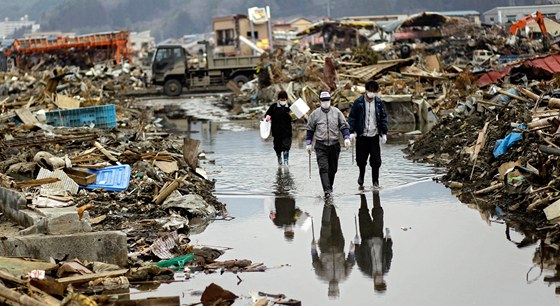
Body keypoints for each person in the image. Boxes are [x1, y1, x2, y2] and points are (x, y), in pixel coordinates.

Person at [306, 91, 351, 198]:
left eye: (327, 100)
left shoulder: (337, 112)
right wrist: (308, 143)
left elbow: (344, 126)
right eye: (323, 101)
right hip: (321, 145)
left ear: (330, 101)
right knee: (323, 168)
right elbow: (310, 129)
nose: (325, 103)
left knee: (333, 169)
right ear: (320, 101)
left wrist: (346, 137)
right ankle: (327, 191)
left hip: (335, 145)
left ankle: (329, 187)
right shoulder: (315, 114)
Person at [347, 80, 388, 189]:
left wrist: (384, 132)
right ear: (366, 91)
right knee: (361, 159)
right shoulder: (358, 103)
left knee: (376, 160)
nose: (372, 93)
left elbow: (383, 118)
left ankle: (375, 182)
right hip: (362, 136)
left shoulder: (379, 103)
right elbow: (352, 118)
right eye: (370, 91)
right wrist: (351, 132)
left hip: (374, 135)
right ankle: (361, 176)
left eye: (374, 91)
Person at [311, 201, 355, 298]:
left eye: (332, 290)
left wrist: (313, 248)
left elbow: (315, 262)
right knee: (335, 221)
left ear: (328, 289)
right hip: (339, 246)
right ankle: (331, 202)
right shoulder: (344, 276)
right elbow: (350, 263)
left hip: (325, 247)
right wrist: (351, 251)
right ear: (339, 289)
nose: (333, 288)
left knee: (325, 224)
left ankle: (327, 204)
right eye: (334, 290)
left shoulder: (321, 276)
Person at [355, 192, 393, 292]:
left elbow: (358, 257)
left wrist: (356, 244)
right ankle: (375, 192)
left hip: (366, 237)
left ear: (374, 283)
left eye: (378, 283)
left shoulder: (365, 270)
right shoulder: (386, 268)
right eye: (382, 282)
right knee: (378, 212)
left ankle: (362, 194)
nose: (380, 280)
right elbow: (389, 253)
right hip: (378, 235)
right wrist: (389, 238)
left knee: (363, 213)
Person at [265, 90, 293, 165]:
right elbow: (267, 114)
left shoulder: (290, 107)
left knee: (286, 147)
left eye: (284, 100)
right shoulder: (274, 107)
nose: (283, 101)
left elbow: (295, 118)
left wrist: (300, 116)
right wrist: (267, 117)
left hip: (287, 132)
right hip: (276, 132)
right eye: (281, 100)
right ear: (278, 99)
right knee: (277, 147)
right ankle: (279, 158)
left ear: (287, 99)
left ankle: (286, 161)